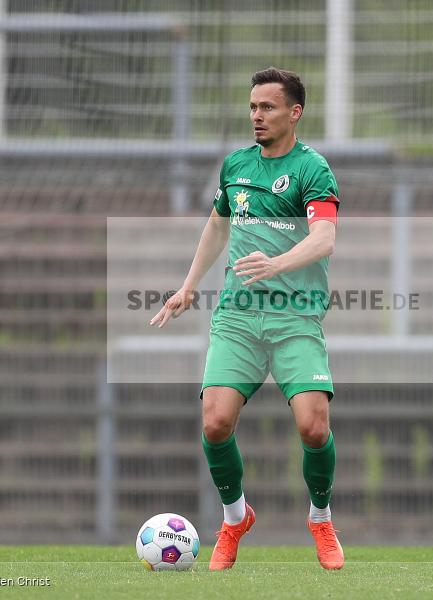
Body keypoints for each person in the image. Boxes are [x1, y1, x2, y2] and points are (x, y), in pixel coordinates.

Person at [149, 67, 343, 571]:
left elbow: (324, 238)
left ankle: (320, 518)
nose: (257, 115)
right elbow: (217, 226)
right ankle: (235, 518)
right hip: (237, 316)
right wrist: (188, 286)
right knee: (215, 423)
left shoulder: (312, 170)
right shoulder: (235, 165)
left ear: (294, 112)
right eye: (253, 106)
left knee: (314, 429)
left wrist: (277, 263)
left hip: (295, 317)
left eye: (268, 107)